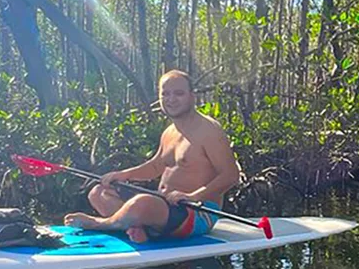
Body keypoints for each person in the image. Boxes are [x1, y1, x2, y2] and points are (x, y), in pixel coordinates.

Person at [64, 70, 242, 242]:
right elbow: (155, 166)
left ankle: (100, 224)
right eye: (165, 94)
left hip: (197, 211)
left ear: (192, 96)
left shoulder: (209, 130)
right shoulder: (169, 132)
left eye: (178, 93)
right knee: (99, 193)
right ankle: (140, 228)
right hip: (165, 206)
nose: (171, 99)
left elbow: (231, 175)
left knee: (141, 204)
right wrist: (123, 175)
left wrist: (194, 196)